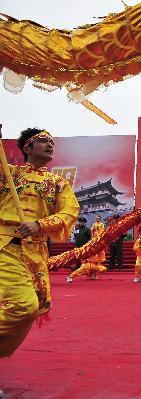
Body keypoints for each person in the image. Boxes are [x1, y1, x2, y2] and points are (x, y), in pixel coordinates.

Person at [0, 127, 79, 357]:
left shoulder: (58, 184)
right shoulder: (9, 173)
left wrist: (40, 224)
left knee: (32, 309)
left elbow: (69, 212)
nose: (49, 144)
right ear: (27, 147)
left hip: (35, 254)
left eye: (52, 141)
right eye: (43, 140)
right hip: (5, 246)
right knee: (23, 307)